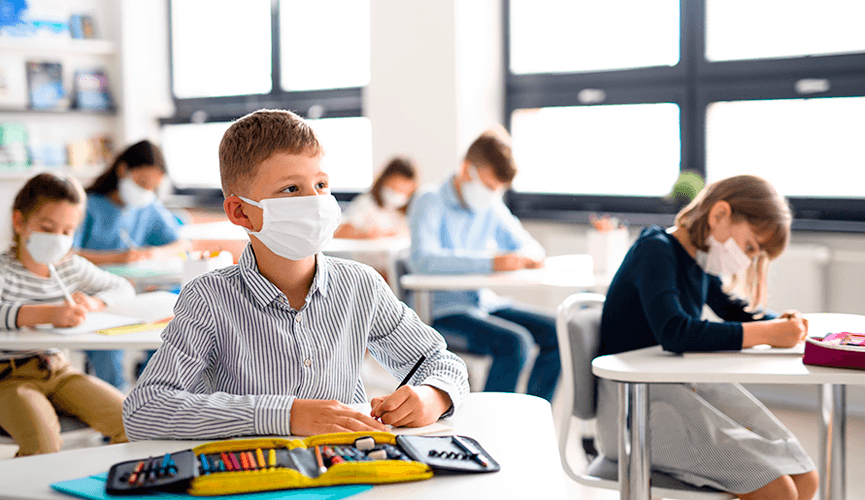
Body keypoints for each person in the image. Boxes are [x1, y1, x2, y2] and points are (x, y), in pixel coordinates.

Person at [122, 109, 469, 440]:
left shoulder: (360, 286)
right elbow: (143, 409)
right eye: (291, 189)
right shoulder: (209, 298)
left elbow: (441, 361)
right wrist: (286, 415)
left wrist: (433, 396)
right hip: (255, 476)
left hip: (346, 469)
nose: (315, 202)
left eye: (321, 184)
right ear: (241, 212)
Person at [595, 175, 818, 500]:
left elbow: (732, 309)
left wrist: (780, 325)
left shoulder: (698, 260)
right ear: (718, 215)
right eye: (750, 247)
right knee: (778, 490)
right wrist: (768, 333)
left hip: (677, 387)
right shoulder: (655, 251)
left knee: (805, 479)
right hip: (635, 405)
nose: (746, 260)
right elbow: (675, 332)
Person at [407, 128, 560, 402]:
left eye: (497, 190)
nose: (492, 194)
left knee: (558, 330)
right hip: (442, 313)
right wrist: (491, 262)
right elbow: (423, 260)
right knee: (515, 343)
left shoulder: (490, 207)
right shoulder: (429, 201)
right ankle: (490, 429)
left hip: (484, 303)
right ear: (467, 170)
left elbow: (529, 245)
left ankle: (530, 420)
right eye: (489, 187)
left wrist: (526, 257)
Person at [0, 173, 131, 456]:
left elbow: (121, 287)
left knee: (134, 423)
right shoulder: (4, 272)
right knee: (43, 445)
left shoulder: (71, 267)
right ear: (19, 222)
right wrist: (49, 313)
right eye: (47, 228)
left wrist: (94, 303)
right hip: (9, 378)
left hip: (59, 370)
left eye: (67, 231)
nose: (57, 239)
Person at [74, 140, 186, 389]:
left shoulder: (147, 207)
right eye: (142, 182)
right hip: (96, 295)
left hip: (138, 292)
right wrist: (116, 258)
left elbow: (180, 243)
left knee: (171, 332)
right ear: (123, 170)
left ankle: (153, 395)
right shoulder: (87, 204)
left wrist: (153, 253)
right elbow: (68, 253)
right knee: (109, 349)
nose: (146, 191)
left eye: (153, 187)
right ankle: (116, 409)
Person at [335, 156, 418, 240]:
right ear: (384, 180)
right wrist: (365, 235)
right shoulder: (366, 203)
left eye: (404, 192)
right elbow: (339, 232)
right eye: (394, 188)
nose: (397, 195)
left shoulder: (408, 212)